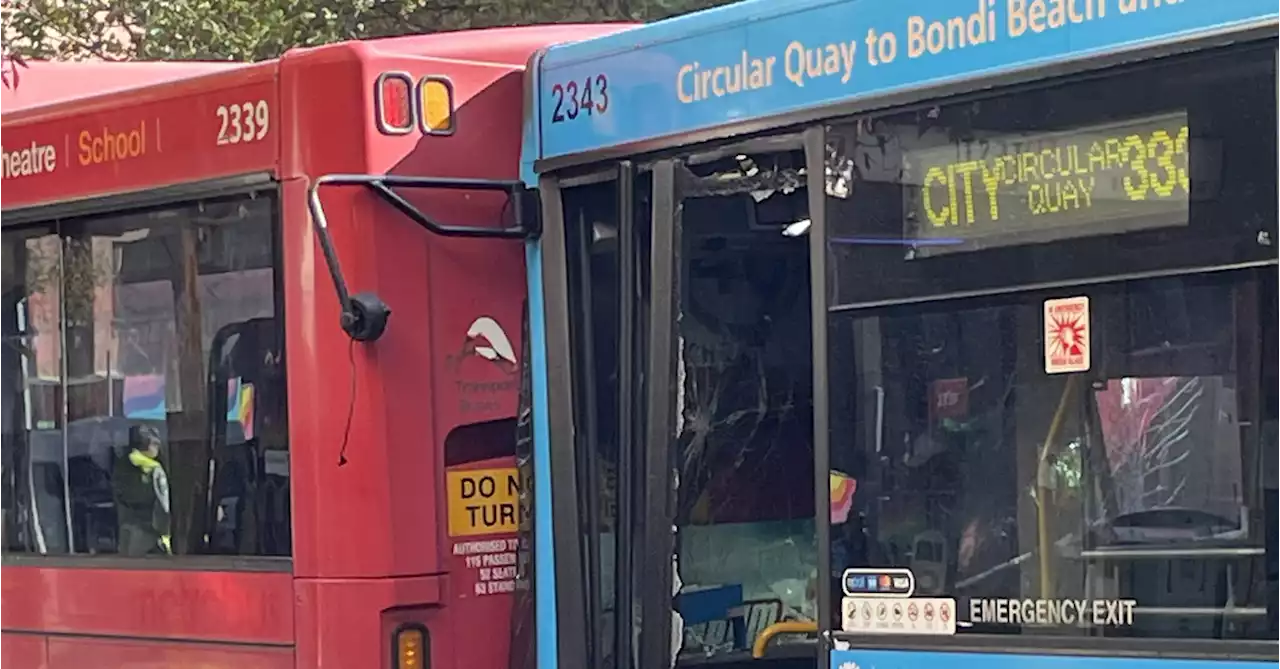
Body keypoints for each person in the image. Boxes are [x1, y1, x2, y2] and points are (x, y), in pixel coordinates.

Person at [112, 425, 171, 555]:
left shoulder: (121, 466)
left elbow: (116, 494)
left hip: (125, 527)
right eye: (155, 444)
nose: (157, 448)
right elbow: (163, 505)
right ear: (145, 444)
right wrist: (165, 534)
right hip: (148, 532)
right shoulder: (155, 469)